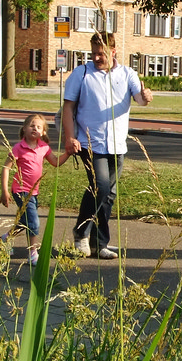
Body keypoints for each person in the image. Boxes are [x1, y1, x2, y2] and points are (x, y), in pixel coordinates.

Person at [57, 32, 153, 260]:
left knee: (109, 194)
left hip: (117, 145)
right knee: (100, 186)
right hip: (91, 143)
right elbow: (68, 107)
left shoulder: (127, 74)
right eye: (93, 53)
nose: (97, 58)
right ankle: (81, 232)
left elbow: (139, 99)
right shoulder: (81, 74)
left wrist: (145, 96)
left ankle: (99, 244)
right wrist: (69, 138)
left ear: (113, 51)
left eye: (101, 53)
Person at [0, 113, 62, 269]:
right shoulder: (18, 148)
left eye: (39, 127)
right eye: (32, 125)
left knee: (25, 221)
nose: (35, 128)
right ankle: (32, 253)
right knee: (33, 222)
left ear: (43, 132)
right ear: (24, 129)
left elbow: (55, 162)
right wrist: (4, 191)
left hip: (34, 191)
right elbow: (6, 168)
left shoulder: (44, 148)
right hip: (20, 190)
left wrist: (69, 152)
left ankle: (6, 238)